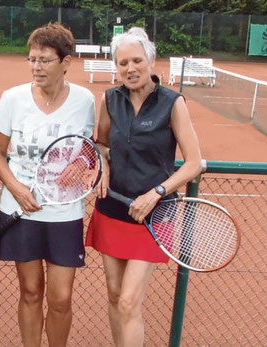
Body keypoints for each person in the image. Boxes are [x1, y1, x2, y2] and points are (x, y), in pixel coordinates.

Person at [86, 27, 202, 347]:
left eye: (137, 60)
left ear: (151, 60)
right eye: (123, 63)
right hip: (112, 209)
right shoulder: (110, 99)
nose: (130, 68)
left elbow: (194, 163)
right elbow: (102, 144)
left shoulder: (172, 103)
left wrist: (157, 193)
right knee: (113, 294)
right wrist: (103, 162)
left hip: (153, 215)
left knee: (128, 301)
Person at [0, 22, 96, 347]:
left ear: (66, 62)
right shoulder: (13, 99)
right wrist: (17, 189)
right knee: (31, 291)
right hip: (21, 210)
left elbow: (90, 149)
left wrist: (81, 163)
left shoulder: (85, 101)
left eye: (45, 60)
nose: (36, 67)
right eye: (32, 59)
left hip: (65, 213)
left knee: (61, 297)